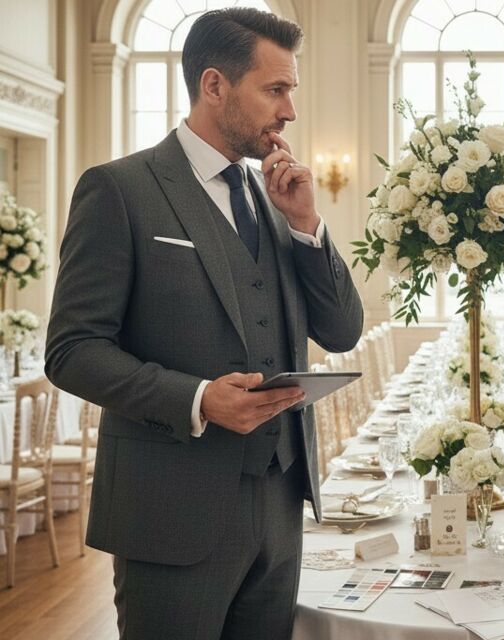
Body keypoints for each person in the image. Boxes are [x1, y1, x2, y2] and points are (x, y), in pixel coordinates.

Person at [45, 8, 363, 639]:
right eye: (275, 90)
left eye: (290, 90)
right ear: (215, 85)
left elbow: (344, 331)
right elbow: (73, 349)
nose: (290, 111)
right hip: (169, 511)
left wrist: (306, 226)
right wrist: (197, 399)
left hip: (280, 506)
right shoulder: (119, 189)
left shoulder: (274, 196)